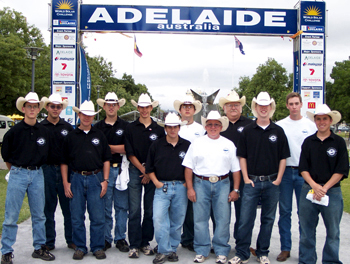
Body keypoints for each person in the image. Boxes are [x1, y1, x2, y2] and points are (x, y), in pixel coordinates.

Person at [229, 92, 290, 264]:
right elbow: (242, 157)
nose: (263, 109)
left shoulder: (278, 131)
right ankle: (242, 253)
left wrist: (278, 179)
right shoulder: (247, 130)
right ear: (255, 108)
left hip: (272, 182)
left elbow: (283, 157)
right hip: (252, 183)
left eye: (266, 106)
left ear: (270, 108)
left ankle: (263, 252)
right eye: (260, 106)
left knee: (268, 220)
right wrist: (246, 178)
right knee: (245, 219)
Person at [1, 92, 55, 264]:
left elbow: (47, 154)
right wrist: (18, 170)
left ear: (39, 109)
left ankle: (39, 247)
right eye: (29, 106)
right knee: (11, 216)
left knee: (39, 215)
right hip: (18, 173)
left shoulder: (44, 132)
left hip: (38, 174)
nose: (32, 109)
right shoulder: (14, 132)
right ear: (24, 108)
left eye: (35, 106)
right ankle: (6, 251)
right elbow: (6, 155)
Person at [183, 110, 241, 264]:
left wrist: (235, 189)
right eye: (210, 124)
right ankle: (202, 250)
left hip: (223, 184)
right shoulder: (197, 143)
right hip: (201, 183)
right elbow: (188, 167)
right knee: (200, 219)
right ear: (206, 126)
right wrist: (190, 188)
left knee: (223, 219)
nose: (213, 127)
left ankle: (221, 250)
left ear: (221, 126)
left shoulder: (228, 144)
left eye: (216, 124)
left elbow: (236, 169)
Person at [298, 104, 349, 264]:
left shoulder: (339, 142)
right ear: (315, 121)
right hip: (309, 190)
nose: (321, 122)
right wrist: (315, 186)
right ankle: (307, 261)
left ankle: (331, 261)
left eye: (324, 119)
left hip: (332, 192)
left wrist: (324, 188)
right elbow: (303, 168)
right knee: (306, 231)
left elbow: (341, 169)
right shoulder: (308, 142)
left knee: (333, 231)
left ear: (330, 120)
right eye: (318, 119)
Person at [61, 100, 111, 260]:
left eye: (90, 115)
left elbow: (106, 160)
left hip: (96, 178)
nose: (87, 117)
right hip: (75, 178)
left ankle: (97, 247)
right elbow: (64, 161)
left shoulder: (99, 135)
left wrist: (105, 180)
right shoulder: (71, 136)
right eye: (84, 114)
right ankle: (80, 247)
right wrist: (65, 182)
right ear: (79, 115)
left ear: (93, 117)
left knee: (97, 216)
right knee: (76, 216)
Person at [275, 92, 317, 262]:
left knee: (304, 213)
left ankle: (304, 250)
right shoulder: (280, 125)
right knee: (285, 211)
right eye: (290, 104)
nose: (293, 106)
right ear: (287, 106)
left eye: (296, 103)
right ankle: (285, 248)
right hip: (285, 172)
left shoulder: (311, 125)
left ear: (301, 105)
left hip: (304, 174)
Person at [146, 113, 191, 264]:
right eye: (169, 127)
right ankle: (163, 250)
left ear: (179, 128)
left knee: (177, 221)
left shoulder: (187, 145)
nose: (172, 130)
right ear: (165, 128)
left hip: (180, 187)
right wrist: (157, 183)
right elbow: (149, 168)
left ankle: (172, 249)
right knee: (158, 219)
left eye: (175, 127)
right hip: (162, 186)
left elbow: (191, 167)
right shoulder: (156, 145)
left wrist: (186, 184)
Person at [125, 93, 165, 258]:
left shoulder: (159, 129)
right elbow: (129, 152)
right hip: (136, 171)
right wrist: (143, 170)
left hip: (152, 173)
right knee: (134, 210)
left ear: (151, 108)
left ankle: (145, 242)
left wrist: (149, 171)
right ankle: (134, 244)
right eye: (141, 107)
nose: (144, 110)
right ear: (138, 108)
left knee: (149, 210)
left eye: (147, 107)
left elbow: (160, 154)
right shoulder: (131, 128)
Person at [40, 94, 75, 252]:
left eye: (58, 106)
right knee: (48, 208)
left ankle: (71, 239)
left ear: (62, 109)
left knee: (68, 208)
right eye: (52, 106)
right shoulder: (40, 128)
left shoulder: (67, 128)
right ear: (47, 107)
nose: (55, 109)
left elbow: (72, 152)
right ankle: (49, 241)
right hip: (46, 170)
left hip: (65, 171)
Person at [95, 92, 129, 252]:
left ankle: (120, 238)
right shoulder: (97, 127)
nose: (111, 107)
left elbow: (128, 148)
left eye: (114, 104)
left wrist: (107, 148)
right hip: (104, 171)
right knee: (106, 207)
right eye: (108, 104)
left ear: (118, 106)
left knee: (122, 207)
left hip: (121, 169)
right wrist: (115, 149)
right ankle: (106, 238)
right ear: (103, 106)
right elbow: (95, 151)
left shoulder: (125, 126)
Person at [218, 91, 253, 241]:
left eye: (236, 105)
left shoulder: (250, 125)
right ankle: (220, 241)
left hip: (243, 175)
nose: (233, 107)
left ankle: (241, 243)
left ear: (241, 107)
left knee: (243, 213)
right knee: (220, 213)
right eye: (230, 105)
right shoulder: (218, 125)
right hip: (222, 175)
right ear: (224, 108)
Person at [173, 95, 205, 251]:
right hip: (173, 172)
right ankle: (170, 239)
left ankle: (189, 239)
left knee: (192, 209)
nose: (187, 109)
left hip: (194, 172)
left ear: (194, 110)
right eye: (184, 106)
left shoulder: (201, 129)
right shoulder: (173, 126)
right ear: (180, 110)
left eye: (190, 106)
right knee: (173, 208)